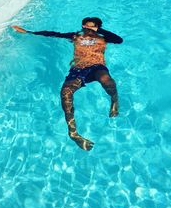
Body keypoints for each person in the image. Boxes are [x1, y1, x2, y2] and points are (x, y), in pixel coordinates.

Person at [12, 17, 123, 151]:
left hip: (97, 67)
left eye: (91, 27)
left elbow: (119, 40)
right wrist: (29, 32)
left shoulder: (103, 38)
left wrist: (98, 30)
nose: (87, 29)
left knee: (106, 79)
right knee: (65, 92)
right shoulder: (75, 36)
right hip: (78, 69)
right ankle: (73, 133)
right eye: (85, 27)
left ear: (97, 27)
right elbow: (53, 34)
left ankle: (114, 101)